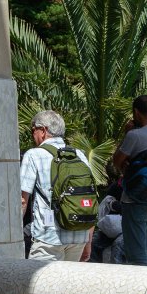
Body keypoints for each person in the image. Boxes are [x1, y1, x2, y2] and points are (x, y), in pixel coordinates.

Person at [21, 110, 92, 261]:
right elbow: (90, 198)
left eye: (33, 130)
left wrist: (15, 238)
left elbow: (23, 201)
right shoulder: (79, 155)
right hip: (78, 237)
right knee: (67, 284)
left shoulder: (34, 155)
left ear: (43, 130)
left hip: (48, 238)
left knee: (38, 284)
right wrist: (88, 241)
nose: (33, 135)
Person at [111, 95, 147, 267]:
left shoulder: (134, 135)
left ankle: (141, 292)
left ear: (136, 112)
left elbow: (116, 160)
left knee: (137, 255)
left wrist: (126, 134)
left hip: (134, 200)